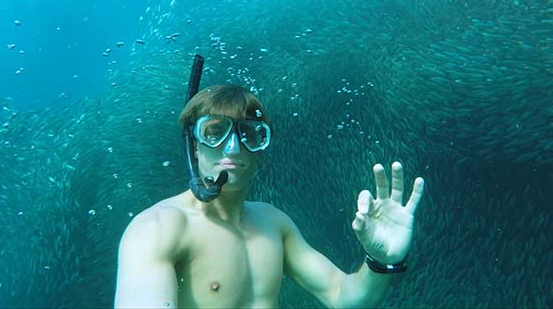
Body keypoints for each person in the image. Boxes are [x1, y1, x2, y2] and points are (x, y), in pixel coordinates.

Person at [114, 84, 425, 308]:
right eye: (214, 132)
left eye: (250, 135)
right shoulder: (157, 229)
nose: (233, 148)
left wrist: (381, 261)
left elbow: (343, 296)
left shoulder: (274, 224)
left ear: (262, 150)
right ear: (193, 144)